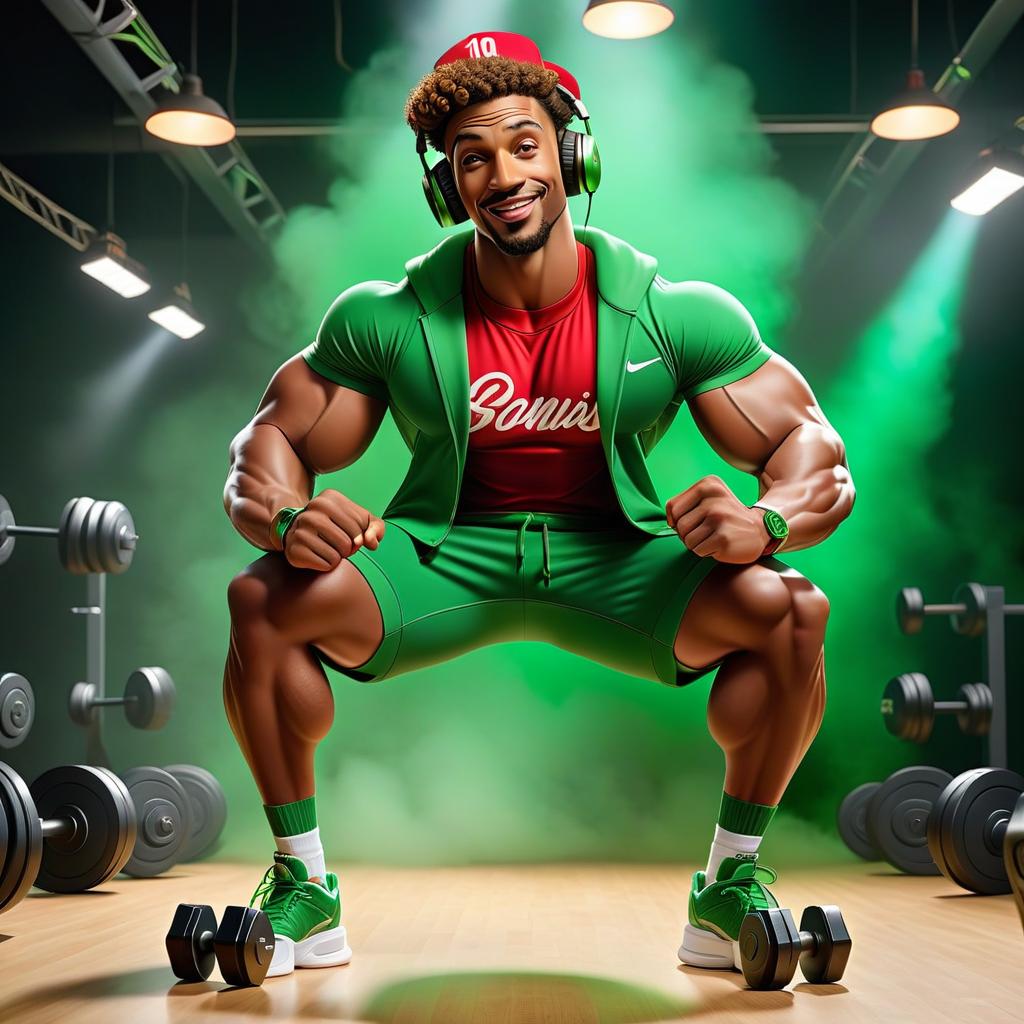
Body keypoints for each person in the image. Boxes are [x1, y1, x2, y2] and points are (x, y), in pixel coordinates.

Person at [222, 30, 855, 979]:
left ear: (573, 152)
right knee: (263, 599)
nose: (503, 174)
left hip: (616, 560)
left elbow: (817, 454)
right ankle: (301, 883)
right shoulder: (386, 316)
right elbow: (262, 447)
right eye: (473, 158)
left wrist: (763, 521)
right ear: (449, 185)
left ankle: (729, 884)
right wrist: (286, 517)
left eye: (524, 144)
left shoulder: (672, 312)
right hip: (445, 556)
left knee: (791, 608)